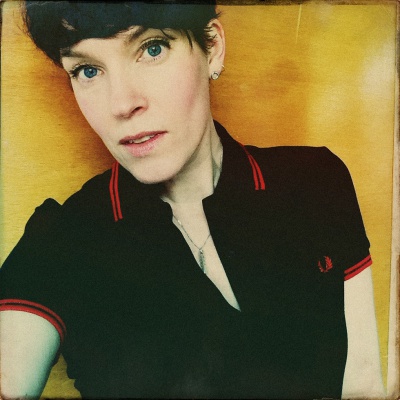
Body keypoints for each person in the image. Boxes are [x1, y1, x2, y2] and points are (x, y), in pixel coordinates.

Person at [0, 1, 384, 399]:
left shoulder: (315, 181)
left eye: (152, 48)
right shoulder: (63, 240)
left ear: (212, 47)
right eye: (88, 70)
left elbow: (363, 381)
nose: (122, 104)